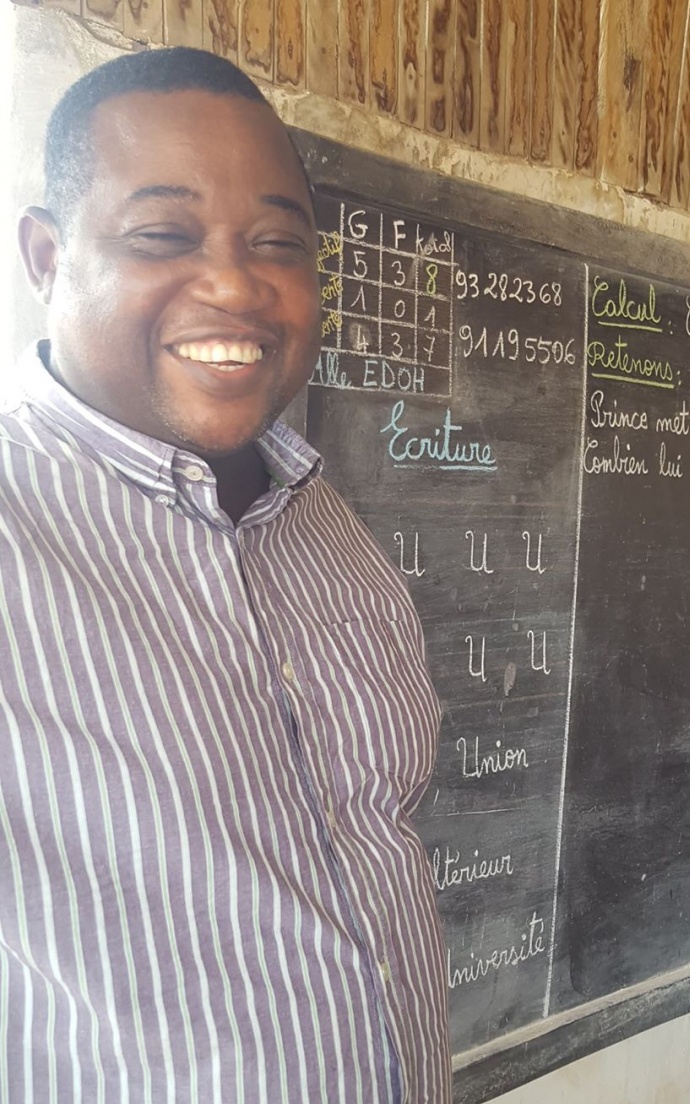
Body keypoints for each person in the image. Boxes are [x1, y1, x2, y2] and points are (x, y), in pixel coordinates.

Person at [3, 45, 451, 1102]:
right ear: (44, 257)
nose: (236, 285)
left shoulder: (326, 526)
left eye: (278, 244)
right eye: (164, 235)